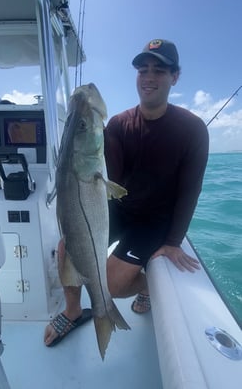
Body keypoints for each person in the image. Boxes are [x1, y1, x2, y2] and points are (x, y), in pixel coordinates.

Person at [44, 38, 209, 346]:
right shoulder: (118, 124)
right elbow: (99, 173)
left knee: (114, 285)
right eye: (142, 70)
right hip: (120, 207)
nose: (149, 77)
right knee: (67, 248)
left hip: (155, 219)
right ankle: (73, 309)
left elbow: (191, 191)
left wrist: (173, 242)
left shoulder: (192, 129)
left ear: (175, 77)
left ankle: (147, 287)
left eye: (159, 70)